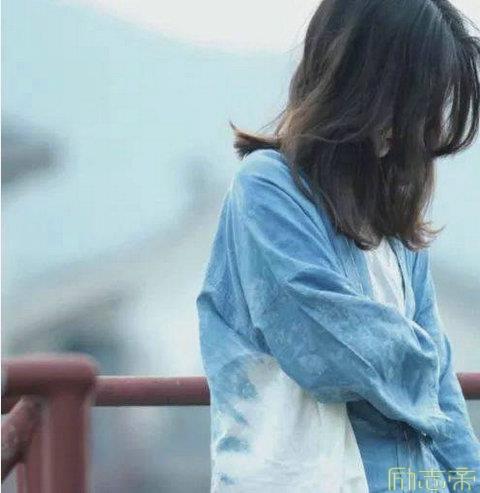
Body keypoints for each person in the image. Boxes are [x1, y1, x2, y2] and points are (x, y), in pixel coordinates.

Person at [196, 0, 480, 491]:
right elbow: (329, 348)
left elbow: (445, 403)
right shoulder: (268, 190)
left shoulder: (394, 227)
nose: (426, 124)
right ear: (365, 84)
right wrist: (427, 361)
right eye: (419, 98)